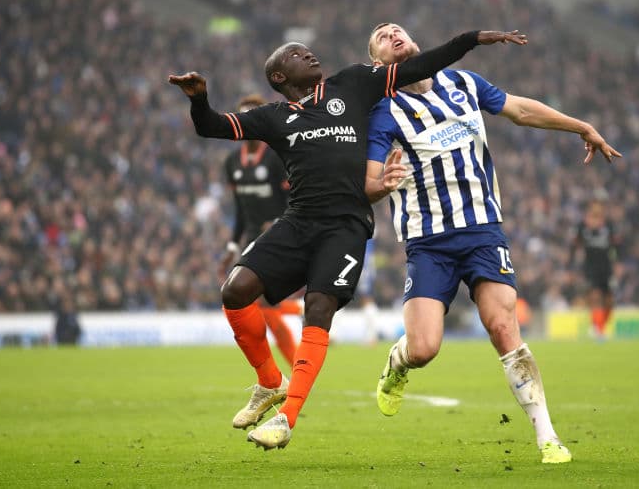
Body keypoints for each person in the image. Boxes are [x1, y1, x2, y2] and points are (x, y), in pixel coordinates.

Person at [169, 27, 527, 450]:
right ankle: (269, 382)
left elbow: (421, 64)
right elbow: (211, 127)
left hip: (346, 226)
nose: (310, 55)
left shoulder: (353, 83)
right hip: (298, 221)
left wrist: (471, 39)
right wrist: (198, 99)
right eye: (298, 55)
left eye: (308, 50)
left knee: (317, 307)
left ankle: (286, 418)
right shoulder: (273, 118)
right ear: (280, 78)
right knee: (235, 290)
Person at [364, 22, 621, 464]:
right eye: (383, 36)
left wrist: (581, 126)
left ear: (417, 42)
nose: (393, 34)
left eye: (397, 29)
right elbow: (369, 183)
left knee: (503, 327)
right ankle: (398, 364)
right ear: (378, 63)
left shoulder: (462, 82)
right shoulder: (383, 112)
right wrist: (381, 185)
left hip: (483, 230)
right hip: (428, 242)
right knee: (424, 348)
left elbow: (520, 109)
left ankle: (547, 436)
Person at [221, 93, 301, 367]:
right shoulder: (232, 163)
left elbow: (295, 198)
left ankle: (285, 374)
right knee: (262, 307)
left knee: (262, 305)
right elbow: (240, 208)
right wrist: (232, 246)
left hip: (279, 238)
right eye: (243, 117)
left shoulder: (277, 157)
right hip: (252, 241)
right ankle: (298, 318)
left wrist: (279, 221)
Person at [571, 200, 619, 339]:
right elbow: (574, 245)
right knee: (595, 297)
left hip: (606, 267)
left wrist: (619, 263)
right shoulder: (582, 227)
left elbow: (617, 245)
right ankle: (597, 328)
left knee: (609, 301)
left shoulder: (608, 226)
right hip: (590, 267)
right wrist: (571, 266)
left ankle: (601, 326)